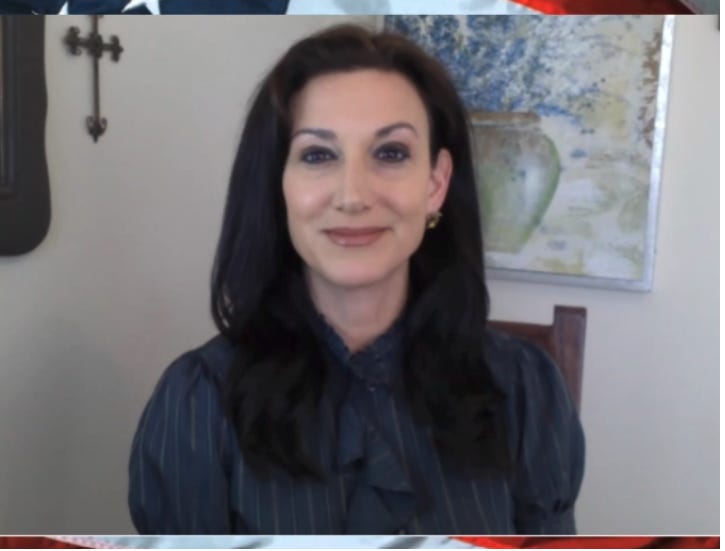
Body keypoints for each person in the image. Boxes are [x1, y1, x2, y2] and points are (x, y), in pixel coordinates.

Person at [128, 24, 585, 535]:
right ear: (278, 184)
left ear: (436, 183)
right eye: (318, 155)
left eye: (390, 153)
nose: (353, 196)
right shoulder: (197, 402)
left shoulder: (526, 390)